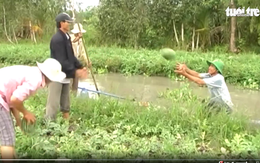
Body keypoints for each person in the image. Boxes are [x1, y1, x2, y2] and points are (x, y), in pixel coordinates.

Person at [0, 58, 66, 159]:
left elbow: (12, 101)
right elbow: (15, 99)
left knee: (8, 136)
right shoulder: (36, 80)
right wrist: (26, 113)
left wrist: (18, 122)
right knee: (7, 140)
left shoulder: (33, 72)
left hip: (2, 98)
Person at [45, 13, 89, 121]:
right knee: (53, 102)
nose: (69, 24)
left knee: (65, 101)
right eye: (67, 22)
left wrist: (80, 66)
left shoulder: (67, 37)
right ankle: (49, 126)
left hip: (64, 74)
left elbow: (70, 56)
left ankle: (66, 123)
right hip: (56, 74)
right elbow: (61, 61)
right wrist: (74, 72)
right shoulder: (57, 39)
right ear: (61, 23)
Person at [70, 23, 88, 94]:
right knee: (69, 83)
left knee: (75, 84)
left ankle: (74, 98)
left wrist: (87, 61)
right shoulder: (69, 38)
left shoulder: (81, 41)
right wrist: (77, 39)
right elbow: (70, 43)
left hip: (76, 64)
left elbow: (83, 52)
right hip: (69, 63)